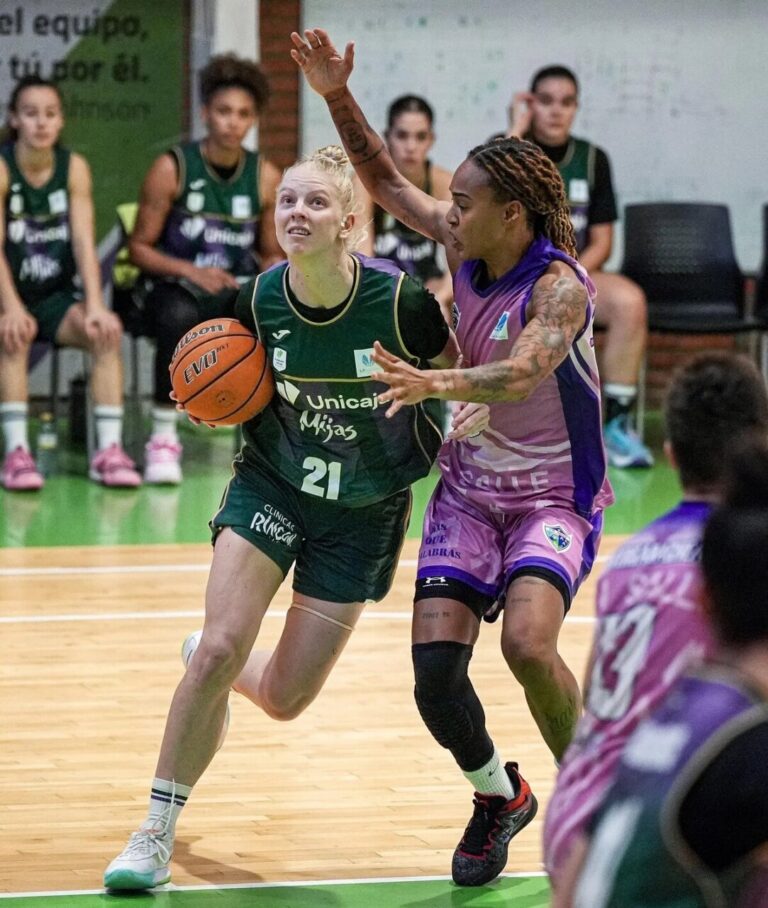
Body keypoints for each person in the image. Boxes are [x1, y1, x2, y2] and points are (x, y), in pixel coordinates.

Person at [103, 145, 488, 891]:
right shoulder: (256, 299)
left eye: (315, 203)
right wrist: (213, 404)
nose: (297, 214)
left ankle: (209, 667)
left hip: (364, 512)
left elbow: (461, 366)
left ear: (350, 223)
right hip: (273, 486)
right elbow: (232, 383)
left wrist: (466, 392)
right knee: (221, 646)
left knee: (283, 698)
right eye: (286, 202)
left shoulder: (401, 302)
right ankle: (153, 832)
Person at [292, 28, 613, 888]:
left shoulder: (559, 286)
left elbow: (520, 374)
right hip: (470, 494)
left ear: (512, 212)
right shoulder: (463, 242)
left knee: (531, 648)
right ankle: (499, 796)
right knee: (436, 678)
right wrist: (332, 93)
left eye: (464, 201)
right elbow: (384, 178)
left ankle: (594, 809)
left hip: (553, 496)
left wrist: (437, 385)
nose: (447, 209)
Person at [544, 351, 768, 894]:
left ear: (670, 454)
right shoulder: (740, 553)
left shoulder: (629, 556)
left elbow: (599, 692)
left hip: (578, 816)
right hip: (669, 820)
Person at [129, 53, 283, 485]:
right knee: (177, 316)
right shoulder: (172, 167)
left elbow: (268, 250)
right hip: (175, 285)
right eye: (223, 111)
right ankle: (163, 437)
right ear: (205, 114)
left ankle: (268, 437)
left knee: (274, 314)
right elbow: (138, 247)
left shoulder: (266, 176)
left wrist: (277, 265)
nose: (232, 122)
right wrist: (192, 272)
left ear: (253, 120)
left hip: (233, 288)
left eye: (243, 114)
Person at [507, 65, 653, 469]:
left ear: (576, 108)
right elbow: (487, 186)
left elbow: (604, 241)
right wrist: (515, 127)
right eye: (546, 101)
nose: (556, 111)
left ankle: (618, 426)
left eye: (566, 102)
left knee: (630, 301)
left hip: (576, 271)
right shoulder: (511, 152)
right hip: (517, 278)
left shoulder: (593, 160)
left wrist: (569, 271)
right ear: (531, 106)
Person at [0, 75, 141, 491]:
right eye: (30, 114)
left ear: (60, 121)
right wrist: (11, 308)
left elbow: (82, 240)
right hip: (8, 296)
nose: (41, 123)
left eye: (50, 114)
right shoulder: (4, 168)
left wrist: (96, 305)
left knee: (106, 334)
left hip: (57, 298)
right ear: (15, 120)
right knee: (14, 335)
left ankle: (109, 452)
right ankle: (16, 454)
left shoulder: (73, 168)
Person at [359, 95, 453, 320]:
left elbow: (463, 260)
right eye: (402, 136)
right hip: (381, 287)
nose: (411, 146)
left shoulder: (444, 184)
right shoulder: (365, 183)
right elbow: (362, 259)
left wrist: (441, 296)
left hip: (429, 288)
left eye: (420, 137)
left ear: (431, 140)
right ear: (386, 138)